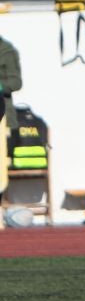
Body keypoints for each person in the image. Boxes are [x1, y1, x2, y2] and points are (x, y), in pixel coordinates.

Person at [0, 34, 20, 209]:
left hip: (3, 117)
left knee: (2, 168)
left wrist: (0, 86)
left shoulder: (6, 50)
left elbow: (16, 82)